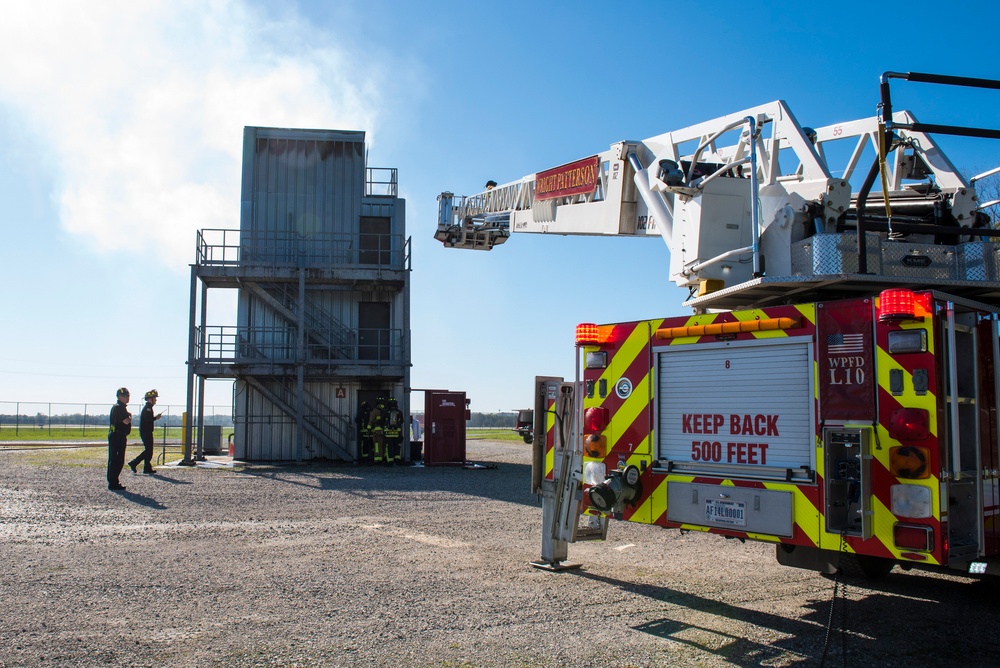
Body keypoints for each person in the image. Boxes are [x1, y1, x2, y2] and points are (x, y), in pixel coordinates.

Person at [129, 389, 162, 475]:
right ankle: (134, 462)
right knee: (148, 450)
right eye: (154, 398)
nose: (155, 400)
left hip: (146, 431)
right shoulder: (148, 408)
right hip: (146, 431)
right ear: (149, 399)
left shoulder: (149, 408)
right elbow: (148, 419)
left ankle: (147, 467)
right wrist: (155, 418)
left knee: (149, 450)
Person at [107, 387, 132, 491]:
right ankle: (113, 482)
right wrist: (130, 417)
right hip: (117, 436)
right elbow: (125, 421)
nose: (127, 398)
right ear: (119, 397)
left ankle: (113, 481)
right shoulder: (119, 408)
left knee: (115, 460)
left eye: (127, 396)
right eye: (124, 396)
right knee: (117, 460)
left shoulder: (119, 407)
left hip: (117, 435)